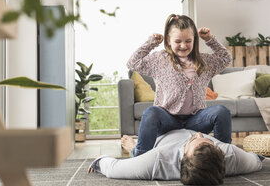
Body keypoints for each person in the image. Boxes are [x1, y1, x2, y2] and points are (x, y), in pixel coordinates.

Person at [123, 14, 232, 157]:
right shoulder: (160, 59)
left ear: (194, 40)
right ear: (169, 40)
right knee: (151, 112)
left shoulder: (205, 62)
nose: (183, 45)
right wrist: (151, 43)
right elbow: (133, 63)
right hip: (168, 119)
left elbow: (226, 58)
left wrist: (210, 40)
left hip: (196, 120)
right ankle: (139, 154)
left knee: (222, 111)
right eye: (178, 41)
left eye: (188, 41)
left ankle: (223, 155)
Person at [88, 129, 264, 185]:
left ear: (183, 158)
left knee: (138, 153)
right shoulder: (232, 155)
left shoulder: (156, 160)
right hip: (182, 121)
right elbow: (257, 160)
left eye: (196, 139)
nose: (201, 134)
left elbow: (113, 169)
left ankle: (135, 148)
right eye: (209, 140)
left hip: (163, 136)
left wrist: (99, 161)